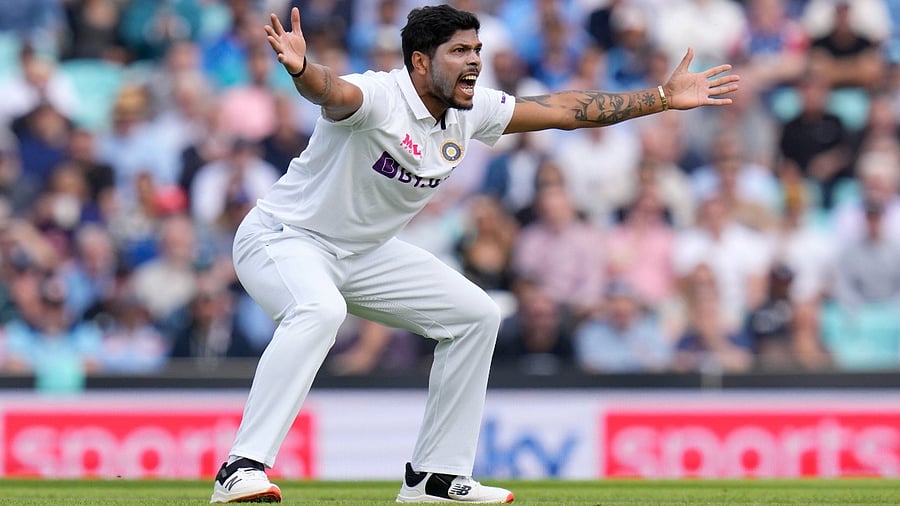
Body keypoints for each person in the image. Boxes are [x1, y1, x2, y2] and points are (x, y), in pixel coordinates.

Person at [210, 4, 739, 504]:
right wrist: (303, 70)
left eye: (477, 49)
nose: (475, 61)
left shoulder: (472, 108)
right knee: (320, 310)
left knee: (476, 316)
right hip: (283, 237)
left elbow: (564, 109)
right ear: (420, 62)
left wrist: (662, 97)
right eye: (459, 52)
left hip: (361, 252)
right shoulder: (380, 96)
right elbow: (334, 92)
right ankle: (241, 467)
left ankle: (436, 477)